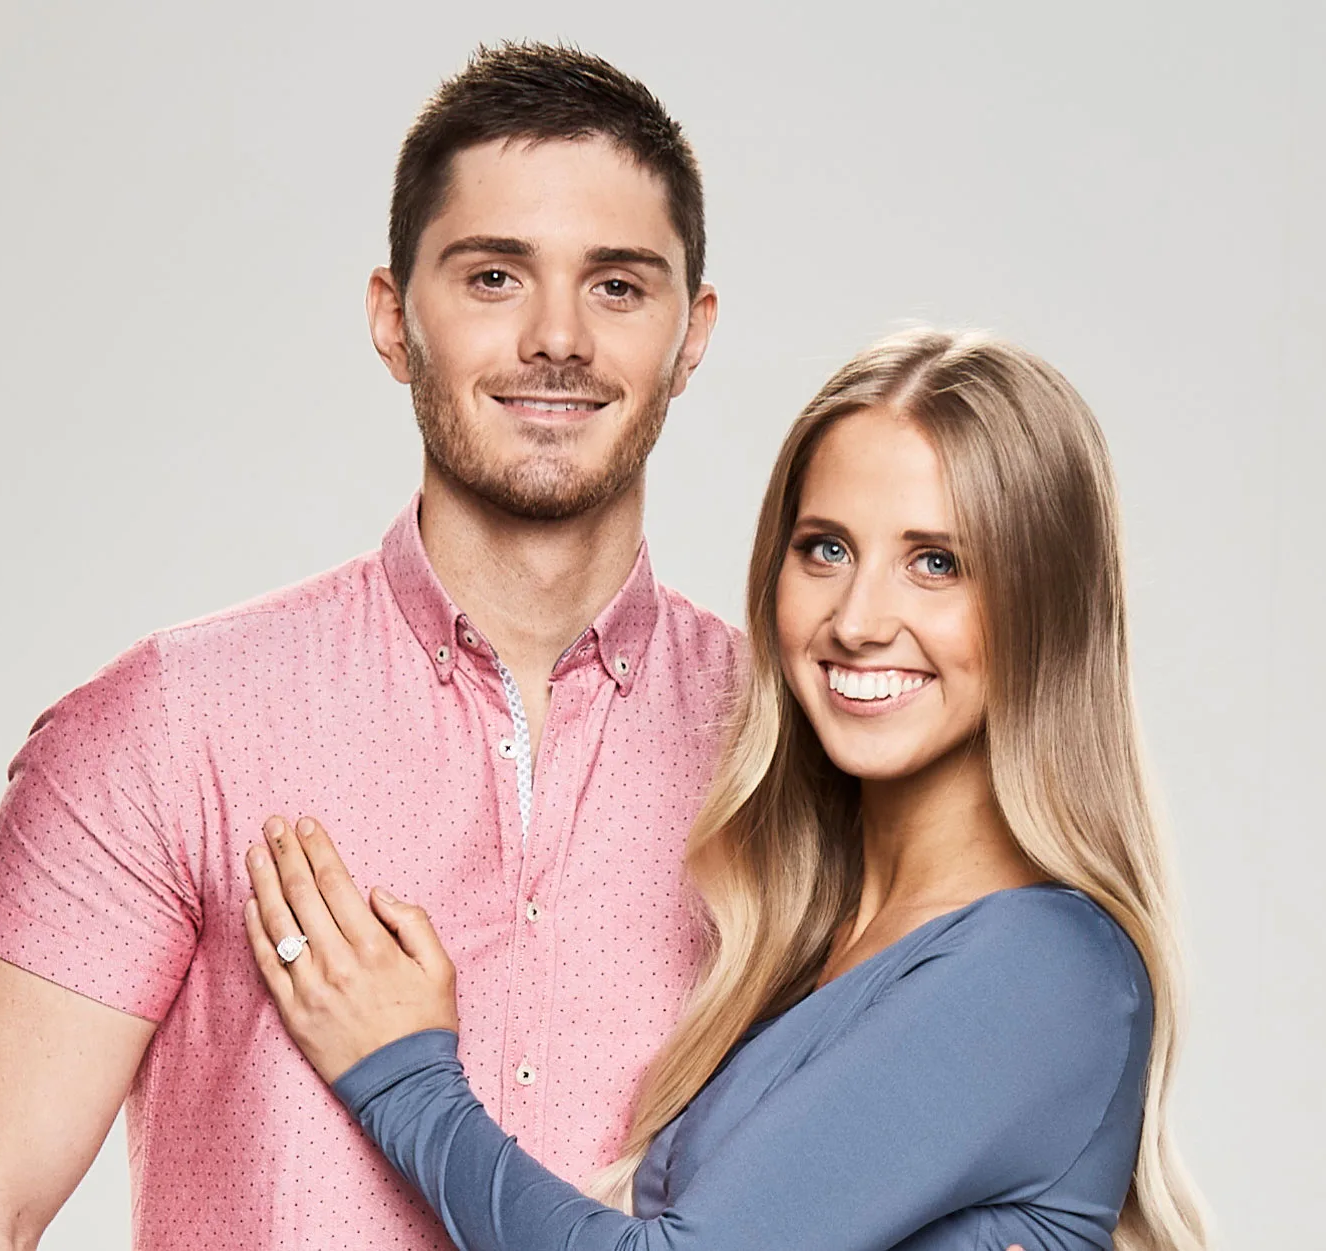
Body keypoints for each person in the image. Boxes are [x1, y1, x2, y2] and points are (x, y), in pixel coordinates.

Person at [0, 43, 733, 1251]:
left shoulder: (787, 746)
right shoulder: (170, 728)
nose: (559, 337)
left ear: (691, 334)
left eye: (617, 285)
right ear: (394, 319)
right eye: (494, 277)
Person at [241, 329, 1211, 1250]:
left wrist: (405, 1078)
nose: (859, 620)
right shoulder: (808, 939)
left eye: (936, 563)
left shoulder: (1042, 967)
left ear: (1048, 609)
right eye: (825, 548)